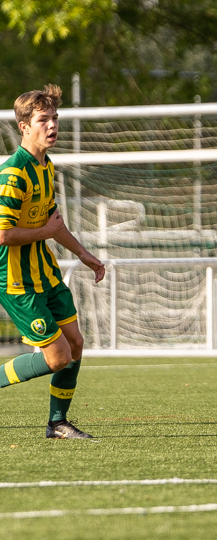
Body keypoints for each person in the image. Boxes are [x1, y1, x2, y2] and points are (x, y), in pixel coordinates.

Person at [0, 84, 105, 439]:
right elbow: (3, 234)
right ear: (24, 127)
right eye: (43, 119)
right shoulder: (13, 174)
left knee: (75, 345)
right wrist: (45, 231)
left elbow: (53, 222)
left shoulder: (46, 166)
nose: (52, 125)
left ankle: (57, 423)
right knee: (58, 356)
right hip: (16, 280)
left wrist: (84, 255)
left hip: (45, 273)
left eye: (55, 118)